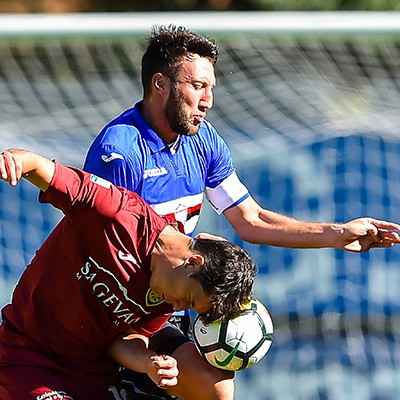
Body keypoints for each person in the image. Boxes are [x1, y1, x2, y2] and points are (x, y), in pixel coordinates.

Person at [83, 24, 400, 400]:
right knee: (215, 388)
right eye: (198, 86)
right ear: (160, 84)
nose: (208, 100)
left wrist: (336, 234)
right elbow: (100, 258)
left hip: (172, 302)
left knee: (219, 381)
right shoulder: (119, 153)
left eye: (211, 88)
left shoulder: (202, 141)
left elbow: (251, 219)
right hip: (120, 311)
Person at [0, 148, 256, 400]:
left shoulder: (166, 294)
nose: (177, 307)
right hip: (28, 356)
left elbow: (124, 339)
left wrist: (149, 362)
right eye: (188, 299)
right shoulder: (117, 214)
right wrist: (18, 161)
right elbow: (42, 169)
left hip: (92, 375)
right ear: (193, 262)